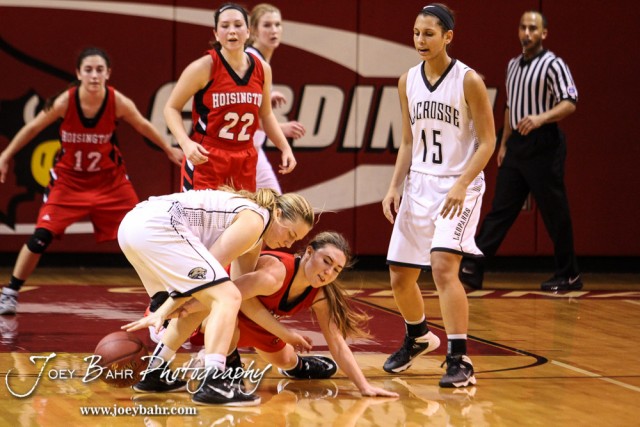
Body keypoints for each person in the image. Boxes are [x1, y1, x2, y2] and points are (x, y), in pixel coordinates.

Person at [0, 47, 183, 315]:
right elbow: (32, 128)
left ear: (108, 73)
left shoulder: (117, 101)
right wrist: (5, 155)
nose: (94, 75)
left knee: (139, 233)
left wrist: (168, 149)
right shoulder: (65, 101)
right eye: (88, 70)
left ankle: (163, 294)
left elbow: (143, 125)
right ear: (78, 73)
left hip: (110, 182)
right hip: (69, 182)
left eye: (99, 70)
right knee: (40, 237)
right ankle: (10, 292)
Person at [381, 4, 495, 388]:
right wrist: (394, 185)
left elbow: (488, 141)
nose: (420, 40)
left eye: (429, 33)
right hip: (419, 184)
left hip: (458, 186)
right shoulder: (407, 81)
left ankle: (460, 359)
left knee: (444, 268)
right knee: (400, 276)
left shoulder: (468, 80)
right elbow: (408, 140)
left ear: (448, 37)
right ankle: (418, 336)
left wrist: (462, 183)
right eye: (416, 33)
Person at [118, 186, 314, 406]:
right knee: (226, 296)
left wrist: (284, 334)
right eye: (290, 234)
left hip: (133, 227)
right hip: (156, 225)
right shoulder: (255, 220)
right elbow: (207, 275)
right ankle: (214, 383)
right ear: (277, 214)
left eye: (295, 240)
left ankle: (155, 371)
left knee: (211, 298)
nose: (289, 244)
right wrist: (166, 308)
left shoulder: (255, 231)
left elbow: (240, 293)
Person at [189, 231, 398, 397]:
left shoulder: (320, 295)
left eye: (336, 269)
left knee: (285, 359)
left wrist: (364, 386)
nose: (328, 272)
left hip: (261, 323)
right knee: (229, 323)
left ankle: (299, 366)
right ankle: (221, 367)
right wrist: (180, 309)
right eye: (326, 261)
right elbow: (234, 299)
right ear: (309, 252)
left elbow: (337, 343)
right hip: (221, 312)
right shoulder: (276, 273)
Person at [459, 11, 581, 292]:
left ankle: (569, 274)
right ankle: (473, 269)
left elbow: (570, 101)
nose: (527, 33)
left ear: (543, 33)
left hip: (544, 143)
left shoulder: (553, 64)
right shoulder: (513, 65)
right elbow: (510, 106)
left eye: (533, 28)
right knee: (500, 210)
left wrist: (541, 118)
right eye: (523, 27)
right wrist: (503, 143)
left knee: (554, 212)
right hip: (516, 145)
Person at [164, 2, 296, 193]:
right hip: (208, 157)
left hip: (245, 158)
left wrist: (285, 148)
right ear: (216, 34)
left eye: (238, 25)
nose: (232, 31)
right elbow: (171, 108)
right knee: (203, 213)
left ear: (248, 32)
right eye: (225, 26)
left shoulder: (262, 69)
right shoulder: (203, 67)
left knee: (247, 212)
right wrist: (185, 143)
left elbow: (266, 115)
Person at [246, 3, 306, 193]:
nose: (274, 30)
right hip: (240, 151)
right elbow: (244, 113)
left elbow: (252, 103)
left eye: (277, 24)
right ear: (253, 30)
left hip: (255, 150)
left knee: (275, 205)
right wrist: (281, 128)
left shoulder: (260, 60)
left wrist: (267, 96)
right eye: (267, 25)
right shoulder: (251, 61)